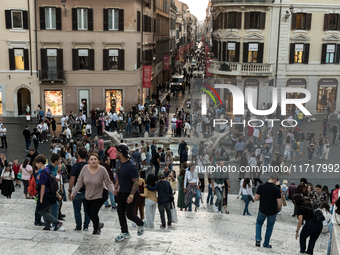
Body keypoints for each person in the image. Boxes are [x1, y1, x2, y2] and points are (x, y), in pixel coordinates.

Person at [70, 153, 115, 235]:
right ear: (88, 161)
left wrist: (114, 192)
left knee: (93, 212)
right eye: (91, 159)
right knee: (88, 213)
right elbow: (79, 182)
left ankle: (96, 229)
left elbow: (108, 182)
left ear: (98, 160)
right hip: (88, 194)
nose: (93, 161)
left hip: (100, 194)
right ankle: (97, 224)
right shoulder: (84, 169)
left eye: (95, 159)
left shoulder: (102, 169)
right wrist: (73, 193)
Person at [113, 144, 146, 242]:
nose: (115, 153)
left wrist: (131, 195)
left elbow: (136, 181)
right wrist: (115, 187)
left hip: (131, 193)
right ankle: (125, 232)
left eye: (116, 152)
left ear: (121, 153)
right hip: (121, 192)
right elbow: (119, 176)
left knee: (129, 214)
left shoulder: (131, 166)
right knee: (120, 213)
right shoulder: (119, 163)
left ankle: (140, 223)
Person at [34, 154, 64, 231]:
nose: (36, 165)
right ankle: (47, 226)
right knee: (46, 209)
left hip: (45, 194)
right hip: (50, 193)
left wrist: (41, 198)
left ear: (40, 163)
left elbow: (43, 187)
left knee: (40, 210)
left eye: (36, 163)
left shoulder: (43, 173)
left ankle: (56, 222)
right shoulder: (47, 169)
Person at [255, 174, 282, 248]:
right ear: (276, 179)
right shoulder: (276, 189)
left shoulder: (261, 186)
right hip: (272, 211)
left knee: (259, 223)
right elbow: (279, 203)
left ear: (269, 177)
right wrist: (279, 208)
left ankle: (258, 240)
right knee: (269, 227)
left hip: (262, 209)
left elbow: (256, 198)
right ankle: (266, 243)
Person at [68, 148, 90, 231]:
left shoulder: (76, 166)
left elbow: (72, 179)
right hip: (88, 191)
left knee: (77, 210)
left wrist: (70, 190)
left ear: (78, 155)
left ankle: (78, 226)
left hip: (78, 191)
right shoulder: (89, 166)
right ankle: (86, 226)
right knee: (87, 210)